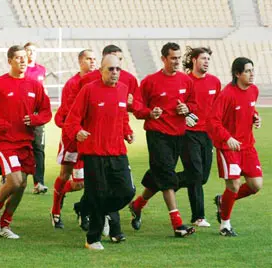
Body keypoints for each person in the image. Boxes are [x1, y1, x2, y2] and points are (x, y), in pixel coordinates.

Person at [0, 45, 51, 239]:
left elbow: (46, 112)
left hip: (25, 141)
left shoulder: (35, 85)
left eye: (24, 57)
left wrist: (35, 120)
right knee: (15, 180)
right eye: (18, 58)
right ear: (9, 61)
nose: (23, 61)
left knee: (23, 184)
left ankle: (5, 224)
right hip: (5, 141)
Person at [64, 54, 135, 250]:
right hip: (94, 153)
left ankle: (86, 209)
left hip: (118, 152)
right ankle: (92, 239)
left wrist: (127, 132)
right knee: (98, 193)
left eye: (118, 69)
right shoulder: (88, 90)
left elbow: (123, 119)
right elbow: (72, 120)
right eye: (110, 69)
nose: (114, 73)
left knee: (127, 191)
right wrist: (78, 132)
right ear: (101, 71)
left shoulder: (123, 90)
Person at [130, 42, 196, 237]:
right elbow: (137, 108)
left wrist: (187, 108)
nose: (177, 61)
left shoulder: (186, 81)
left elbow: (193, 103)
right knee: (167, 175)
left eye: (178, 57)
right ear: (163, 59)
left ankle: (138, 204)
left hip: (178, 134)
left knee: (159, 174)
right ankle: (177, 223)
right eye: (173, 58)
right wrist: (151, 113)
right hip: (157, 134)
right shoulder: (150, 82)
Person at [207, 57, 263, 237]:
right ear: (237, 74)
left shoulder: (254, 90)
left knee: (256, 185)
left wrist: (256, 117)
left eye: (252, 70)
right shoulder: (226, 94)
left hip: (248, 147)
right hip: (228, 147)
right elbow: (213, 121)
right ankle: (225, 225)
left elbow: (249, 110)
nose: (252, 73)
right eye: (247, 71)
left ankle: (223, 201)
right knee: (234, 185)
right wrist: (227, 137)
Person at [50, 49, 96, 229]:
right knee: (67, 176)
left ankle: (84, 211)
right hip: (72, 138)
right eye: (88, 59)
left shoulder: (98, 82)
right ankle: (55, 209)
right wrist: (73, 130)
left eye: (94, 59)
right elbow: (66, 112)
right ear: (80, 61)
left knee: (84, 182)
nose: (92, 62)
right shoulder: (73, 83)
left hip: (90, 139)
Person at [177, 47, 221, 227]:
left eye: (208, 59)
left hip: (207, 134)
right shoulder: (184, 81)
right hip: (188, 133)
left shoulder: (215, 82)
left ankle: (166, 181)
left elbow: (219, 108)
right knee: (195, 174)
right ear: (194, 60)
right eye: (203, 58)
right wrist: (184, 114)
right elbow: (176, 103)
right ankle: (198, 216)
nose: (206, 62)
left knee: (201, 177)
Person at [24, 42, 48, 194]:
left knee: (39, 148)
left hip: (37, 114)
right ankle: (7, 176)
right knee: (17, 145)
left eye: (34, 51)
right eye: (28, 50)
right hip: (22, 113)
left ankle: (38, 182)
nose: (31, 53)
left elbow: (43, 88)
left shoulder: (41, 70)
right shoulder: (21, 70)